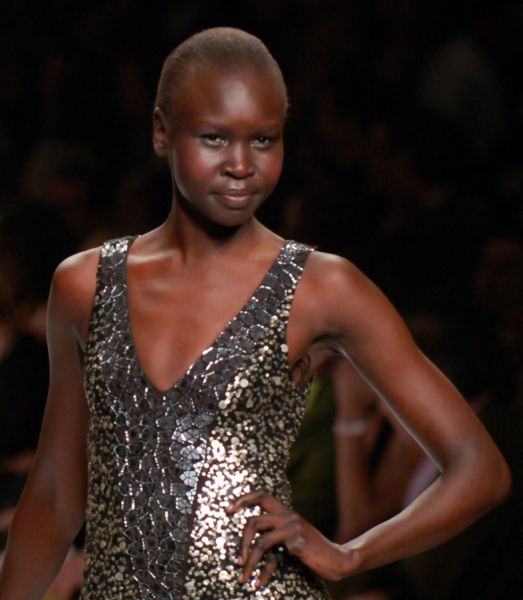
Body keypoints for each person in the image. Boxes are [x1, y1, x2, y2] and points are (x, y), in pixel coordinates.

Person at [0, 27, 510, 600]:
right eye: (214, 137)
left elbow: (480, 469)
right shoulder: (83, 285)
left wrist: (350, 555)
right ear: (162, 131)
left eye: (264, 139)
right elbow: (55, 493)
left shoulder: (322, 286)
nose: (241, 164)